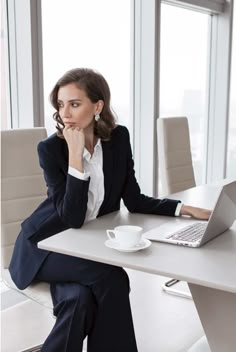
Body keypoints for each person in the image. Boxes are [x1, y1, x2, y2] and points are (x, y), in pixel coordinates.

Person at [9, 68, 211, 352]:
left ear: (98, 106)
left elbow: (135, 199)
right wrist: (76, 157)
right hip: (44, 248)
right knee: (112, 277)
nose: (65, 112)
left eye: (75, 104)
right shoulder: (52, 149)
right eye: (61, 104)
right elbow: (72, 219)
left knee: (79, 300)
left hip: (82, 247)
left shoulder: (117, 139)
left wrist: (182, 209)